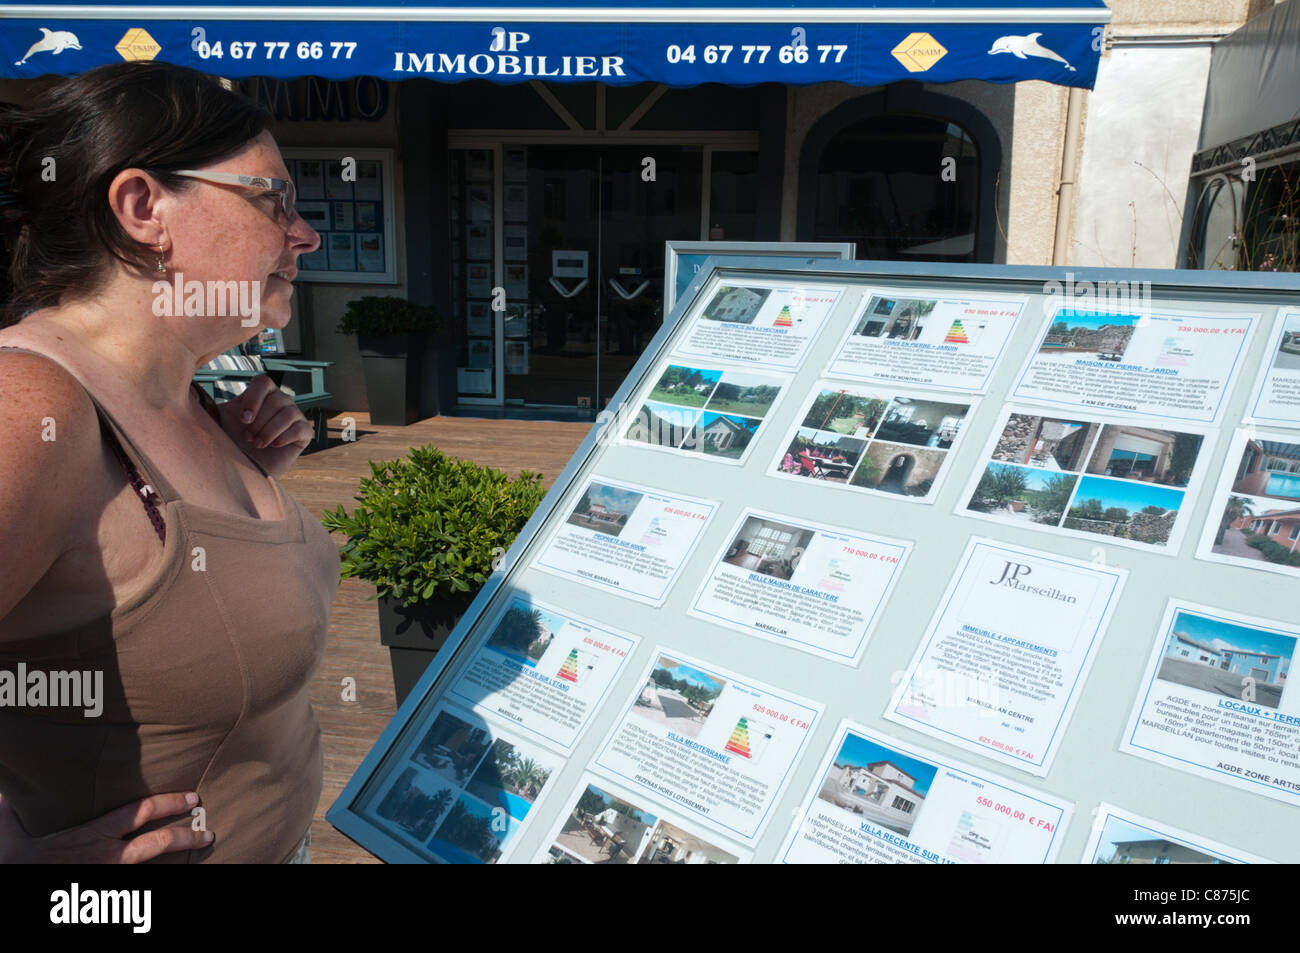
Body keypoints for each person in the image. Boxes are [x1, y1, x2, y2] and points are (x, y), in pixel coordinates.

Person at [0, 61, 338, 863]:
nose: (305, 233)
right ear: (144, 207)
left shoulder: (189, 397)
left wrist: (240, 480)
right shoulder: (31, 406)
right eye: (272, 199)